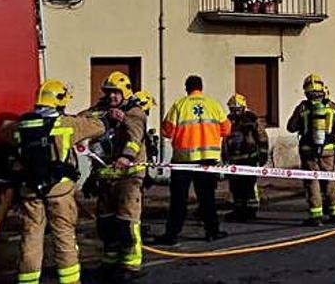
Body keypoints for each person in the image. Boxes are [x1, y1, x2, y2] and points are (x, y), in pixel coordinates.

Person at [1, 80, 105, 284]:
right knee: (64, 235)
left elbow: (3, 131)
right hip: (60, 190)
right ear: (60, 102)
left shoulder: (21, 126)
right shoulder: (68, 124)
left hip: (30, 190)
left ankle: (28, 280)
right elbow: (99, 127)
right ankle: (70, 280)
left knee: (31, 236)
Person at [83, 72, 148, 282]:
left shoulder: (135, 112)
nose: (111, 96)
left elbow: (135, 137)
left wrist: (126, 156)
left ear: (125, 92)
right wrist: (105, 116)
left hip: (128, 176)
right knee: (106, 222)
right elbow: (82, 119)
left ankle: (130, 265)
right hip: (105, 176)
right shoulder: (101, 110)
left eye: (116, 92)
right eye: (109, 92)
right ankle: (110, 261)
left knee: (126, 221)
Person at [155, 75, 231, 245]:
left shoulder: (179, 105)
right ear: (201, 87)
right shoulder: (213, 105)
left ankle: (172, 234)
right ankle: (212, 231)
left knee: (179, 199)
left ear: (187, 88)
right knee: (207, 198)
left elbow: (167, 131)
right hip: (208, 159)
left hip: (183, 159)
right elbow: (226, 129)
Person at [286, 74, 335, 226]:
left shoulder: (303, 107)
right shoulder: (332, 107)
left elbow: (291, 127)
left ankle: (316, 216)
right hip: (329, 151)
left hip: (308, 151)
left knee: (312, 182)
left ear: (306, 91)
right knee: (331, 181)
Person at [223, 93, 269, 222]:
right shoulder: (228, 120)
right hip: (234, 159)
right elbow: (225, 140)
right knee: (235, 186)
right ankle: (238, 210)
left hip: (249, 158)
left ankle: (251, 210)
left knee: (248, 185)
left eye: (238, 110)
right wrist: (224, 157)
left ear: (243, 107)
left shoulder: (251, 119)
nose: (236, 113)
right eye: (233, 110)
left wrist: (263, 154)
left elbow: (262, 137)